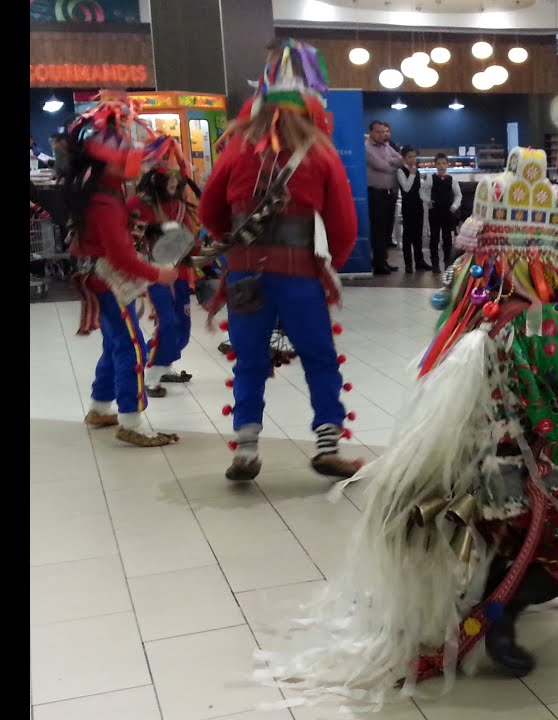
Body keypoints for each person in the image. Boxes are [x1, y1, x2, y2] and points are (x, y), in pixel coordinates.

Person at [252, 148, 558, 708]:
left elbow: (544, 365)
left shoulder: (470, 312)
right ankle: (499, 603)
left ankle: (496, 578)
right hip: (497, 500)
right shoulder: (543, 327)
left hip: (444, 494)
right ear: (546, 256)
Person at [198, 39, 361, 481]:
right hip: (299, 277)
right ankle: (327, 445)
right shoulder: (320, 152)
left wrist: (240, 248)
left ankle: (246, 449)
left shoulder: (237, 148)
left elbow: (209, 211)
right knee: (319, 358)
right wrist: (327, 267)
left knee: (249, 361)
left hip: (244, 275)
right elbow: (344, 225)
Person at [63, 93, 182, 446]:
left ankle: (100, 406)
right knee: (132, 346)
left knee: (115, 341)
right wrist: (158, 273)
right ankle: (131, 420)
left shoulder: (100, 192)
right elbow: (120, 257)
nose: (139, 162)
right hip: (107, 281)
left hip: (96, 278)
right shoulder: (106, 200)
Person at [126, 136, 201, 397]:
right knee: (167, 323)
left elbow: (188, 237)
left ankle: (164, 364)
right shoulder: (138, 204)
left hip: (178, 271)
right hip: (152, 273)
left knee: (183, 326)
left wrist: (199, 256)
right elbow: (128, 238)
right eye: (168, 177)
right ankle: (151, 375)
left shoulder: (179, 205)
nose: (174, 182)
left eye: (176, 178)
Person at [365, 120, 401, 274]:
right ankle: (378, 264)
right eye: (378, 132)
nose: (382, 135)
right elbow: (381, 166)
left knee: (386, 231)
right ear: (370, 132)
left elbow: (401, 160)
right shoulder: (367, 148)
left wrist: (391, 162)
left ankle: (383, 260)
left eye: (383, 131)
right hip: (376, 195)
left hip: (389, 194)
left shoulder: (386, 146)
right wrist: (392, 165)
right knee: (378, 231)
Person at [426, 151, 462, 273]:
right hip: (435, 211)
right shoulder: (431, 179)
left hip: (448, 212)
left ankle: (447, 262)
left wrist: (454, 206)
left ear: (447, 164)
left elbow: (458, 195)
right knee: (434, 237)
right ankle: (435, 263)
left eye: (443, 163)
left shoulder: (452, 179)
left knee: (447, 238)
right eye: (439, 163)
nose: (441, 166)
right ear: (435, 165)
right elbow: (422, 191)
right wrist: (427, 200)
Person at [396, 146, 429, 272]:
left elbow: (418, 188)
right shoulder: (400, 171)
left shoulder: (417, 170)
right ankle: (408, 264)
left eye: (414, 156)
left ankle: (420, 262)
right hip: (408, 206)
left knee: (418, 235)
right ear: (404, 158)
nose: (413, 159)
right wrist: (412, 174)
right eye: (409, 157)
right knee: (408, 235)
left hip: (418, 204)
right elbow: (406, 188)